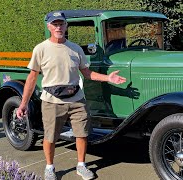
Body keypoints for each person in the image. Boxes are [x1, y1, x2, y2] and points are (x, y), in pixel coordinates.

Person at [16, 11, 126, 180]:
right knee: (50, 136)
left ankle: (81, 165)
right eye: (55, 24)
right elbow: (32, 78)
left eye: (61, 24)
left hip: (77, 100)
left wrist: (108, 78)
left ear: (66, 26)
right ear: (49, 26)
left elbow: (87, 73)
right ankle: (49, 167)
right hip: (52, 101)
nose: (58, 27)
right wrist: (23, 103)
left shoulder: (75, 49)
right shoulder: (41, 49)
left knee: (82, 134)